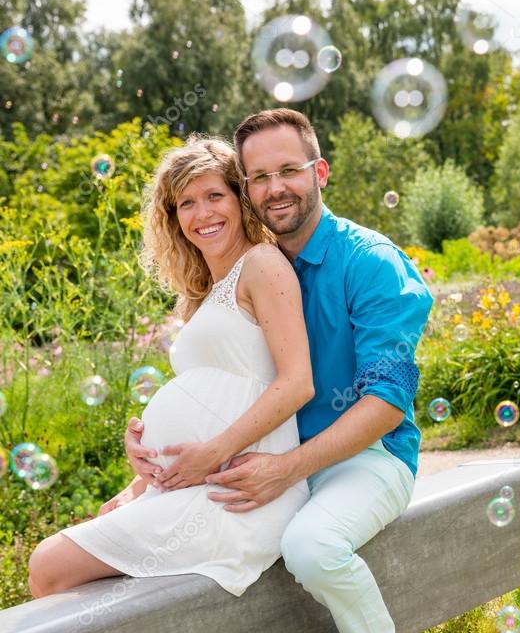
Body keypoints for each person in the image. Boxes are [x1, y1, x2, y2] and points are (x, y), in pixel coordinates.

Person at [126, 110, 434, 633]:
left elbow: (387, 403)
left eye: (289, 170)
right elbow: (220, 382)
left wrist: (285, 469)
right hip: (263, 461)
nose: (275, 188)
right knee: (145, 539)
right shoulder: (242, 268)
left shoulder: (370, 263)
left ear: (318, 171)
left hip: (363, 458)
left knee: (313, 547)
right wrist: (152, 448)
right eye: (259, 176)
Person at [28, 137, 312, 598]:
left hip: (240, 492)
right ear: (172, 216)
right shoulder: (203, 293)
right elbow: (207, 396)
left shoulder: (262, 264)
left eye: (215, 196)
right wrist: (142, 475)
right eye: (186, 203)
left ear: (240, 201)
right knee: (68, 568)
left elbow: (297, 384)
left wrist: (212, 451)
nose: (203, 214)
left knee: (49, 565)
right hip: (195, 482)